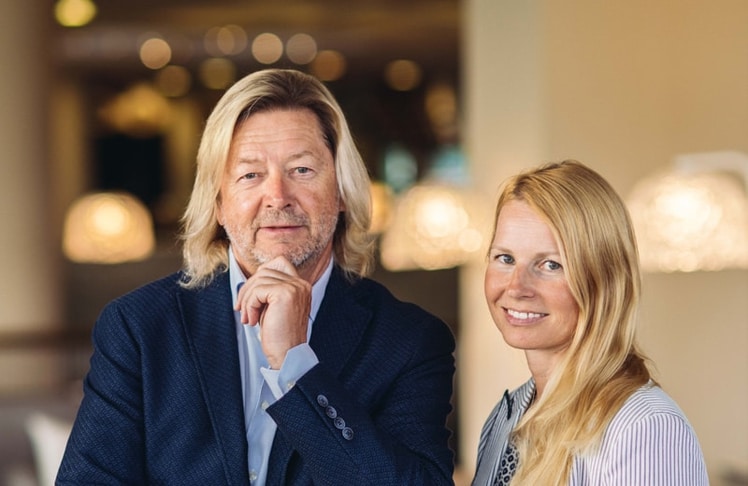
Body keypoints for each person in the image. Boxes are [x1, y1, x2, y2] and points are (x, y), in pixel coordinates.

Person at [57, 68, 456, 485]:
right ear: (218, 202)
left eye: (302, 170)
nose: (278, 197)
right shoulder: (138, 328)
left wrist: (296, 367)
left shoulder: (408, 340)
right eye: (250, 175)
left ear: (341, 191)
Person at [472, 161, 708, 485]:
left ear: (604, 279)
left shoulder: (644, 427)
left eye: (551, 264)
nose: (516, 287)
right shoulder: (505, 418)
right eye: (505, 258)